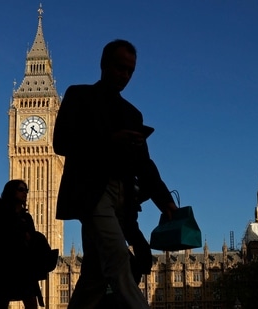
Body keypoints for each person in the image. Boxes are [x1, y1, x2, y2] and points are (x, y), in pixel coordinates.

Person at [53, 39, 178, 308]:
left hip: (124, 197)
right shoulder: (79, 95)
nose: (125, 75)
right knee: (119, 257)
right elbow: (61, 142)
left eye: (130, 71)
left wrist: (165, 200)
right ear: (104, 65)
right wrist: (110, 140)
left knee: (95, 276)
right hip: (93, 191)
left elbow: (145, 163)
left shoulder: (133, 113)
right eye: (120, 68)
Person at [0, 180, 46, 309]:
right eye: (21, 189)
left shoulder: (27, 217)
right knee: (1, 303)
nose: (25, 192)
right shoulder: (1, 213)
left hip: (24, 266)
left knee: (31, 302)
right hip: (5, 265)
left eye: (26, 190)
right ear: (11, 192)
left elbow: (32, 239)